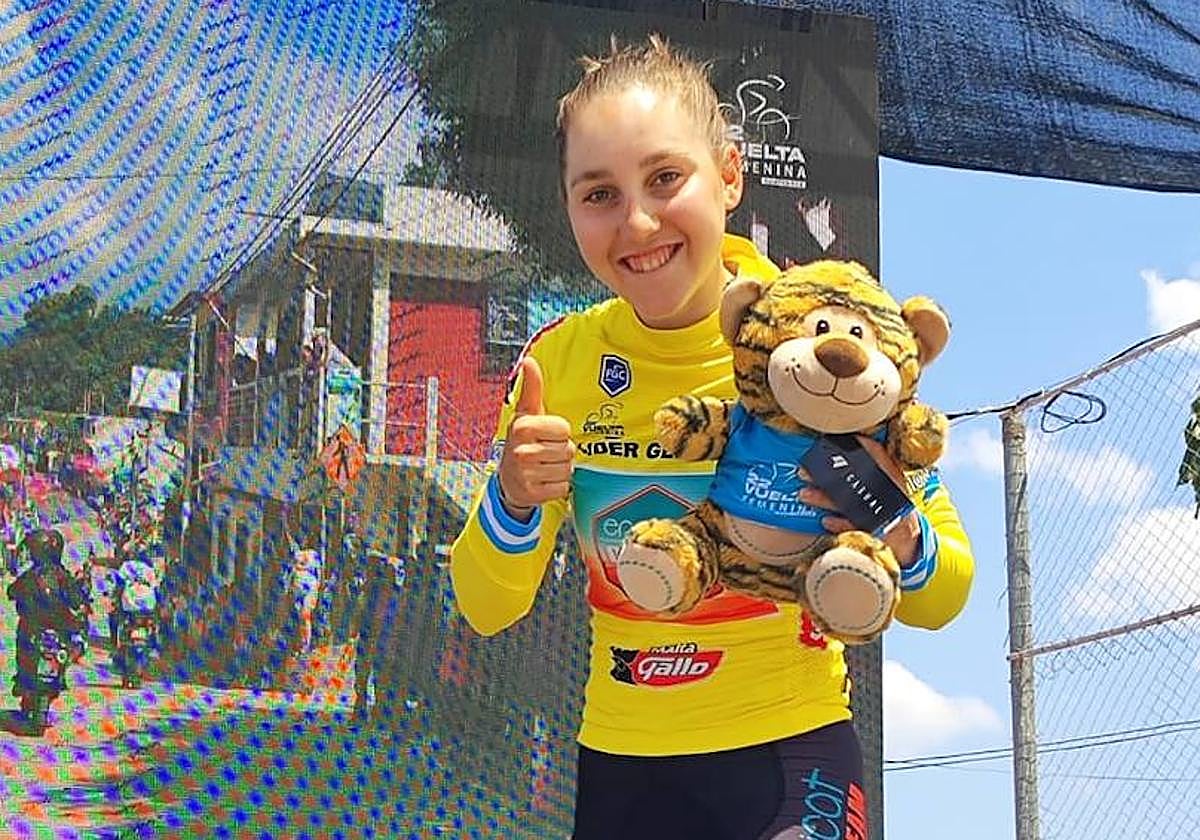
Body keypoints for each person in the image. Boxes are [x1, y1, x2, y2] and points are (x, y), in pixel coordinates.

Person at [450, 35, 975, 840]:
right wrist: (514, 500)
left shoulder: (819, 339)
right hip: (622, 766)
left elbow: (944, 597)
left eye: (666, 178)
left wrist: (890, 519)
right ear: (567, 206)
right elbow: (486, 605)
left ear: (729, 174)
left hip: (793, 748)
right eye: (598, 194)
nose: (637, 221)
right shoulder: (557, 363)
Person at [7, 528, 88, 705]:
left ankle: (27, 676)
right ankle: (35, 676)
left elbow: (11, 591)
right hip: (52, 628)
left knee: (25, 643)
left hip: (39, 628)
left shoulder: (32, 575)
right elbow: (76, 599)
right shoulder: (61, 574)